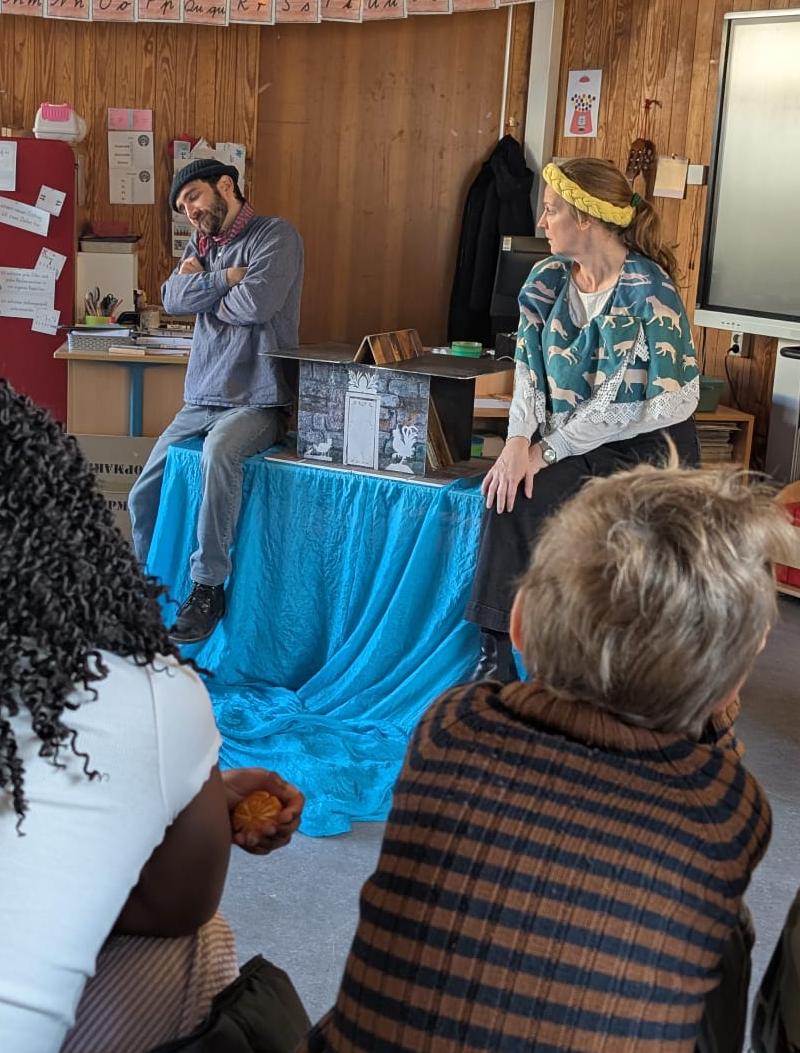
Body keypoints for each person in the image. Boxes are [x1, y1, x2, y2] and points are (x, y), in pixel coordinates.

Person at [301, 456, 798, 1053]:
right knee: (724, 928)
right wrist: (716, 708)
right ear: (729, 685)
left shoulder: (453, 725)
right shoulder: (726, 807)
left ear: (518, 623)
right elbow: (711, 770)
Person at [0, 381, 305, 1053]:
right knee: (196, 944)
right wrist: (177, 792)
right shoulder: (141, 691)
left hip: (241, 402)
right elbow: (177, 904)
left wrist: (162, 799)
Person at [466, 156, 700, 681]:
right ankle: (494, 657)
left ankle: (606, 668)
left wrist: (545, 450)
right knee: (509, 493)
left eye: (551, 211)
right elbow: (529, 369)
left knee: (602, 521)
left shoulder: (647, 290)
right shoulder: (547, 279)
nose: (541, 222)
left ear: (587, 218)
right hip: (576, 437)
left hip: (647, 443)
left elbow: (624, 404)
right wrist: (516, 443)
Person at [128, 157, 304, 644]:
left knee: (219, 453)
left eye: (194, 198)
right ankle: (141, 593)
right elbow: (173, 299)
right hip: (200, 399)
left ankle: (207, 587)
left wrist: (201, 287)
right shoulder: (201, 244)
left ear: (226, 185)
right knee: (142, 493)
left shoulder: (276, 236)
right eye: (183, 207)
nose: (190, 212)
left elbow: (256, 305)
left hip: (259, 399)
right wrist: (225, 279)